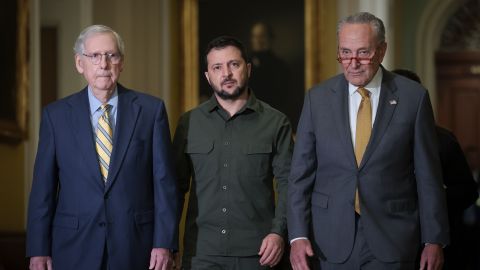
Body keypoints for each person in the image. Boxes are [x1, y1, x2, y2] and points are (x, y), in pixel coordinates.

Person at [287, 12, 449, 270]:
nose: (353, 63)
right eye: (344, 52)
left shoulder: (413, 98)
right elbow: (300, 175)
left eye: (363, 53)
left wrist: (434, 238)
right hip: (328, 239)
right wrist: (297, 235)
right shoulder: (317, 99)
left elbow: (428, 175)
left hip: (394, 237)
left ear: (382, 50)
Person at [26, 25, 178, 270]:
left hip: (136, 247)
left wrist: (164, 243)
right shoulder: (55, 116)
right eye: (94, 56)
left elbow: (164, 184)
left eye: (111, 55)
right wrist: (38, 250)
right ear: (79, 63)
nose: (104, 64)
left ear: (122, 62)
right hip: (73, 246)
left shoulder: (151, 111)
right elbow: (43, 188)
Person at [173, 36, 293, 269]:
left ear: (247, 68)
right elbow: (174, 189)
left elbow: (290, 184)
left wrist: (279, 232)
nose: (226, 73)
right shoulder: (189, 123)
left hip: (259, 254)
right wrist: (168, 244)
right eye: (217, 67)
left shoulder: (276, 123)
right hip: (201, 255)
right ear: (208, 76)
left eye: (233, 64)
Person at [392, 68, 478, 269]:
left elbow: (467, 191)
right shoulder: (371, 140)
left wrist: (429, 200)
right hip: (390, 241)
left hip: (436, 244)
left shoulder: (443, 141)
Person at [249, 22, 302, 130]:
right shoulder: (244, 64)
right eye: (255, 36)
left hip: (272, 120)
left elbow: (285, 98)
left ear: (270, 38)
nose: (258, 40)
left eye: (262, 36)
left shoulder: (281, 66)